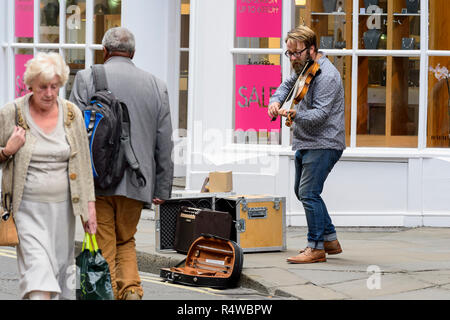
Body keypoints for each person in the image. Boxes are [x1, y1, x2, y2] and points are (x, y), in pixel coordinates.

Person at [69, 27, 174, 300]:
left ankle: (114, 292)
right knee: (125, 238)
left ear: (104, 51)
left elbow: (72, 132)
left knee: (104, 242)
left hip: (97, 180)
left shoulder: (86, 77)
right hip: (138, 180)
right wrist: (162, 187)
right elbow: (164, 141)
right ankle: (131, 291)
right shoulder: (157, 85)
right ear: (133, 53)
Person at [0, 52, 97, 300]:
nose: (50, 93)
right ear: (30, 85)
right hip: (27, 211)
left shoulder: (71, 114)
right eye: (43, 87)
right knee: (38, 273)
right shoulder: (12, 113)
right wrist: (8, 150)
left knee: (60, 275)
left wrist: (89, 209)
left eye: (55, 86)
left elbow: (83, 164)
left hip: (63, 212)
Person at [268, 25, 346, 264]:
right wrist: (275, 100)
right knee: (302, 192)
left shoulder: (328, 76)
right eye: (288, 53)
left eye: (297, 53)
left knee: (308, 193)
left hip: (324, 142)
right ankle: (330, 238)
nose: (292, 58)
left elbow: (320, 115)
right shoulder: (305, 68)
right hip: (306, 140)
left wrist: (291, 113)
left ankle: (316, 247)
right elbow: (286, 85)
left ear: (312, 49)